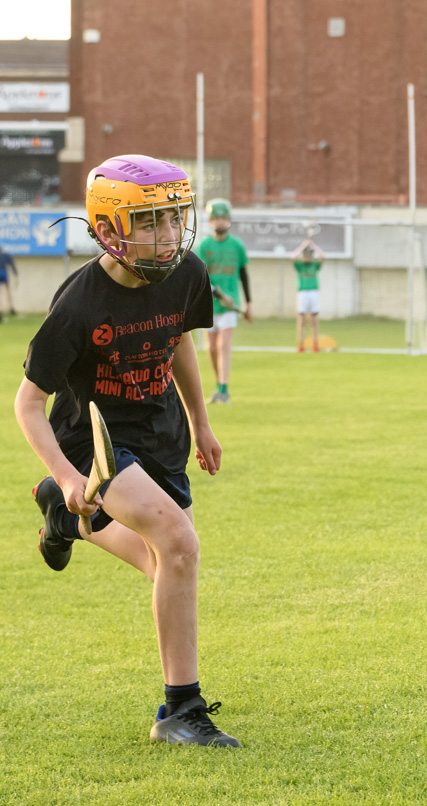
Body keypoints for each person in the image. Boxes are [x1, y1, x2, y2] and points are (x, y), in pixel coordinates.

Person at [14, 154, 239, 747]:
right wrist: (64, 474)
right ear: (109, 230)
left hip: (159, 428)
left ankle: (66, 519)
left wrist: (200, 421)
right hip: (93, 437)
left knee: (168, 563)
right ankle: (180, 712)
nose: (167, 237)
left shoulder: (186, 272)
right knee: (179, 544)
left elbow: (179, 342)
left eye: (172, 220)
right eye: (148, 223)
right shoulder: (78, 305)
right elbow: (27, 405)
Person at [196, 199, 251, 404]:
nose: (219, 222)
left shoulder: (237, 245)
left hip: (231, 303)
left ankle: (224, 389)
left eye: (223, 218)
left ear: (228, 220)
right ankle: (219, 386)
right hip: (209, 305)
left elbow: (244, 274)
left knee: (222, 345)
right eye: (216, 218)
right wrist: (218, 295)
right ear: (211, 221)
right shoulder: (204, 246)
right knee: (211, 348)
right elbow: (201, 278)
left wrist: (248, 303)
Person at [292, 237, 324, 352]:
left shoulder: (314, 265)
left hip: (313, 292)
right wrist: (303, 246)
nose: (308, 257)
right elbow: (293, 257)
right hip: (302, 292)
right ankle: (301, 344)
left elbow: (322, 256)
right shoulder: (300, 266)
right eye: (306, 255)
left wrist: (313, 245)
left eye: (309, 255)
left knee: (314, 319)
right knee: (302, 319)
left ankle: (315, 343)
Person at [0, 243, 17, 319]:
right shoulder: (6, 255)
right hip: (4, 273)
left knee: (0, 293)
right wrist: (15, 274)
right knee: (8, 291)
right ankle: (11, 308)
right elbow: (12, 264)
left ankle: (1, 310)